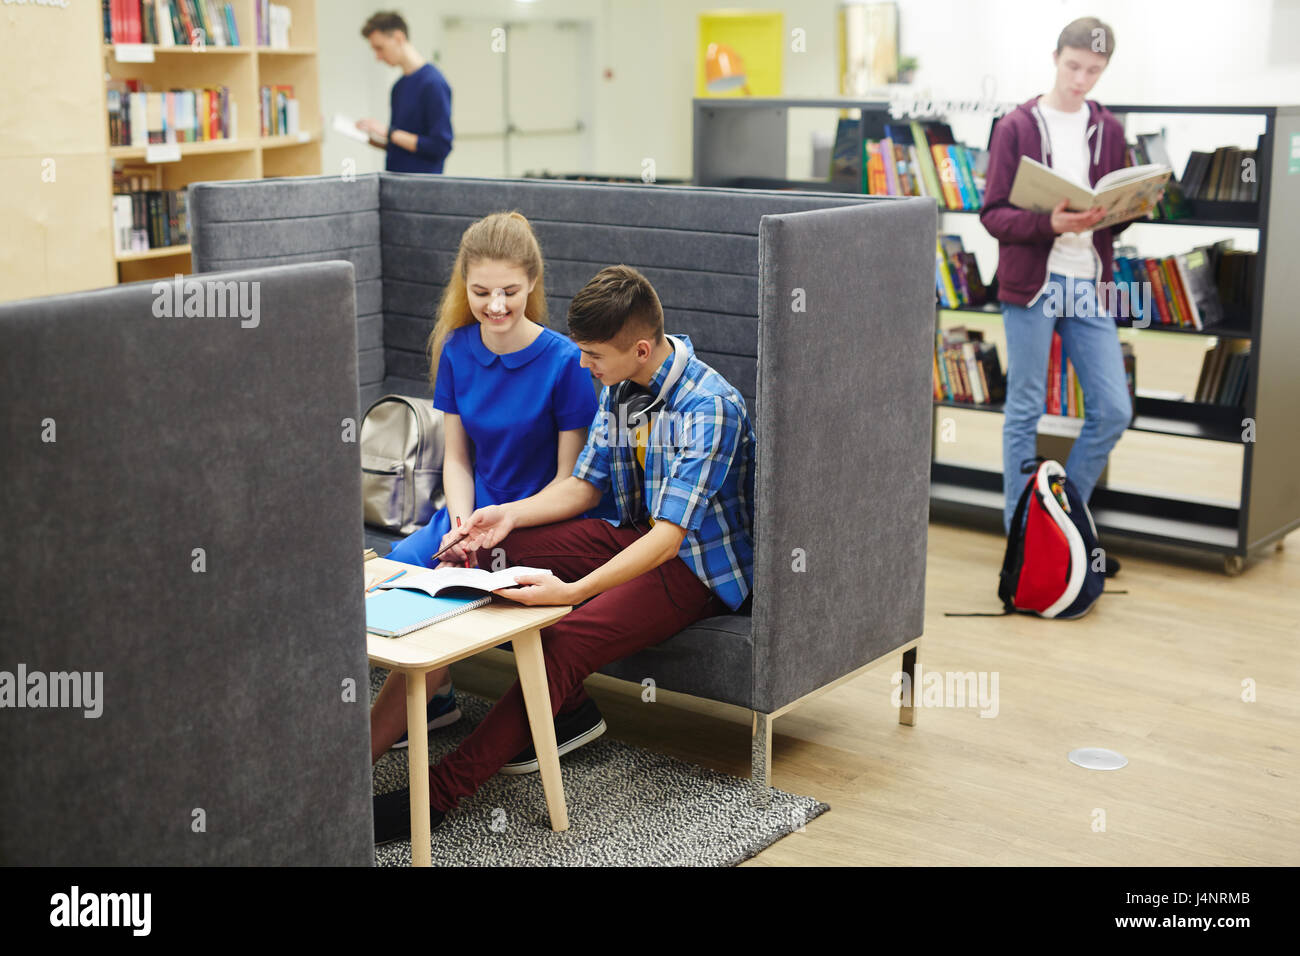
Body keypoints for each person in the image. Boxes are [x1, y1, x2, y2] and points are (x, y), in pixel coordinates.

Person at [372, 265, 756, 842]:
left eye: (594, 354)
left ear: (642, 348)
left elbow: (669, 538)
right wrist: (507, 517)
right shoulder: (623, 387)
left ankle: (438, 794)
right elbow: (585, 487)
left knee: (567, 638)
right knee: (485, 551)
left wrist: (575, 593)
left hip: (696, 565)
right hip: (634, 534)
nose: (583, 364)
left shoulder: (708, 409)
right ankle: (353, 760)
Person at [368, 211, 601, 762]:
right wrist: (458, 526)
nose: (495, 306)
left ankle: (352, 770)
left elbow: (570, 484)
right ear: (463, 287)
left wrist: (489, 532)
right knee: (397, 575)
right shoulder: (456, 349)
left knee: (452, 594)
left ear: (533, 285)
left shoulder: (566, 363)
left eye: (509, 292)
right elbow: (457, 459)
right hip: (468, 513)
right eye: (481, 292)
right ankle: (436, 694)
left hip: (537, 519)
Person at [980, 16, 1145, 576]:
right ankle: (1021, 538)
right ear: (1055, 58)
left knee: (1114, 409)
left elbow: (1108, 218)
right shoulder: (1016, 127)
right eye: (1074, 66)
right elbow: (994, 215)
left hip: (1087, 283)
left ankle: (1062, 524)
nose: (1081, 79)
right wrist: (1051, 223)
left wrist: (1119, 212)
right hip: (1033, 285)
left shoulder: (1110, 130)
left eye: (1094, 71)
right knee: (1025, 408)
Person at [358, 12, 453, 174]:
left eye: (380, 48)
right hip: (395, 183)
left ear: (398, 38)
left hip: (422, 189)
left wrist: (389, 133)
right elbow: (405, 144)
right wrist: (379, 140)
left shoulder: (433, 83)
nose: (378, 57)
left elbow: (440, 146)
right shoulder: (399, 87)